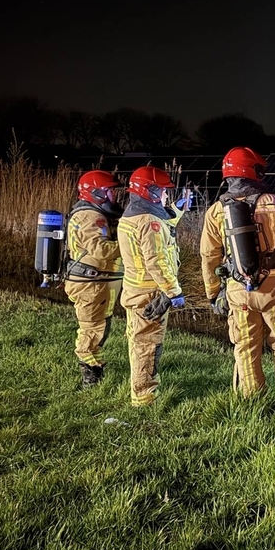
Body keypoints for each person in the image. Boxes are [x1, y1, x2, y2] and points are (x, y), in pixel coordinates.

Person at [199, 147, 275, 406]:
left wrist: (213, 293)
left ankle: (252, 402)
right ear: (254, 172)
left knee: (245, 343)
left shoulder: (215, 211)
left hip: (237, 288)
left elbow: (209, 257)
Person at [117, 165, 185, 407]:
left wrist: (178, 209)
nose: (166, 195)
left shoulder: (135, 214)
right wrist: (173, 291)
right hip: (149, 293)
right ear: (151, 191)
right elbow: (156, 261)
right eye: (163, 191)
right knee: (147, 346)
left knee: (138, 342)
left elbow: (163, 224)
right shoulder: (148, 222)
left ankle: (141, 392)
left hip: (135, 290)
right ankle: (144, 398)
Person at [64, 170, 123, 388]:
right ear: (97, 193)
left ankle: (95, 369)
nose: (113, 196)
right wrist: (129, 245)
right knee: (91, 328)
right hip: (90, 285)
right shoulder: (91, 217)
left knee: (98, 327)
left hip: (96, 283)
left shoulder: (90, 214)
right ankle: (90, 379)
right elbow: (100, 249)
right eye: (110, 191)